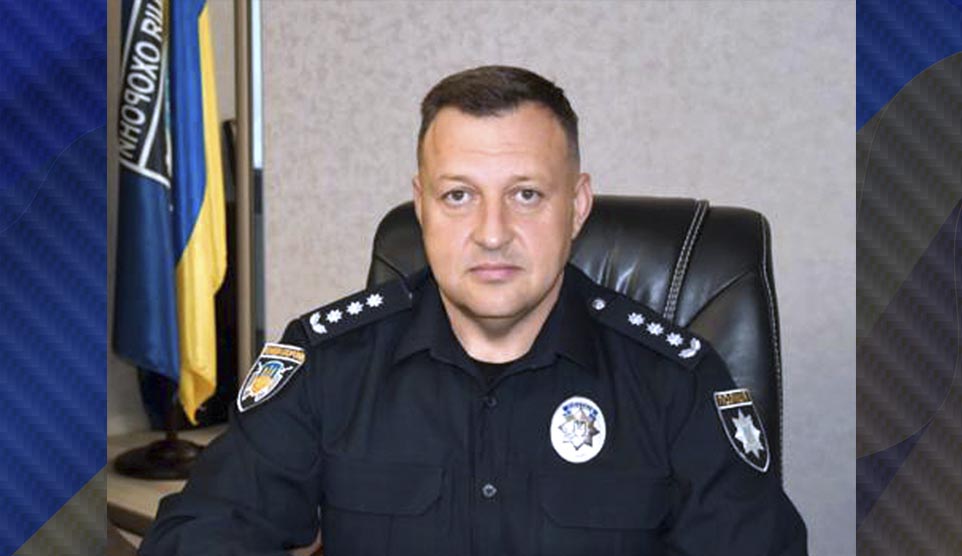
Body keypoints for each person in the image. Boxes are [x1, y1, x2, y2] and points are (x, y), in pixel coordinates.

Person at [140, 65, 807, 555]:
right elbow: (199, 535)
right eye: (459, 195)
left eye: (526, 195)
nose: (492, 233)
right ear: (421, 206)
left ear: (576, 207)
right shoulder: (329, 365)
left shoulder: (675, 381)